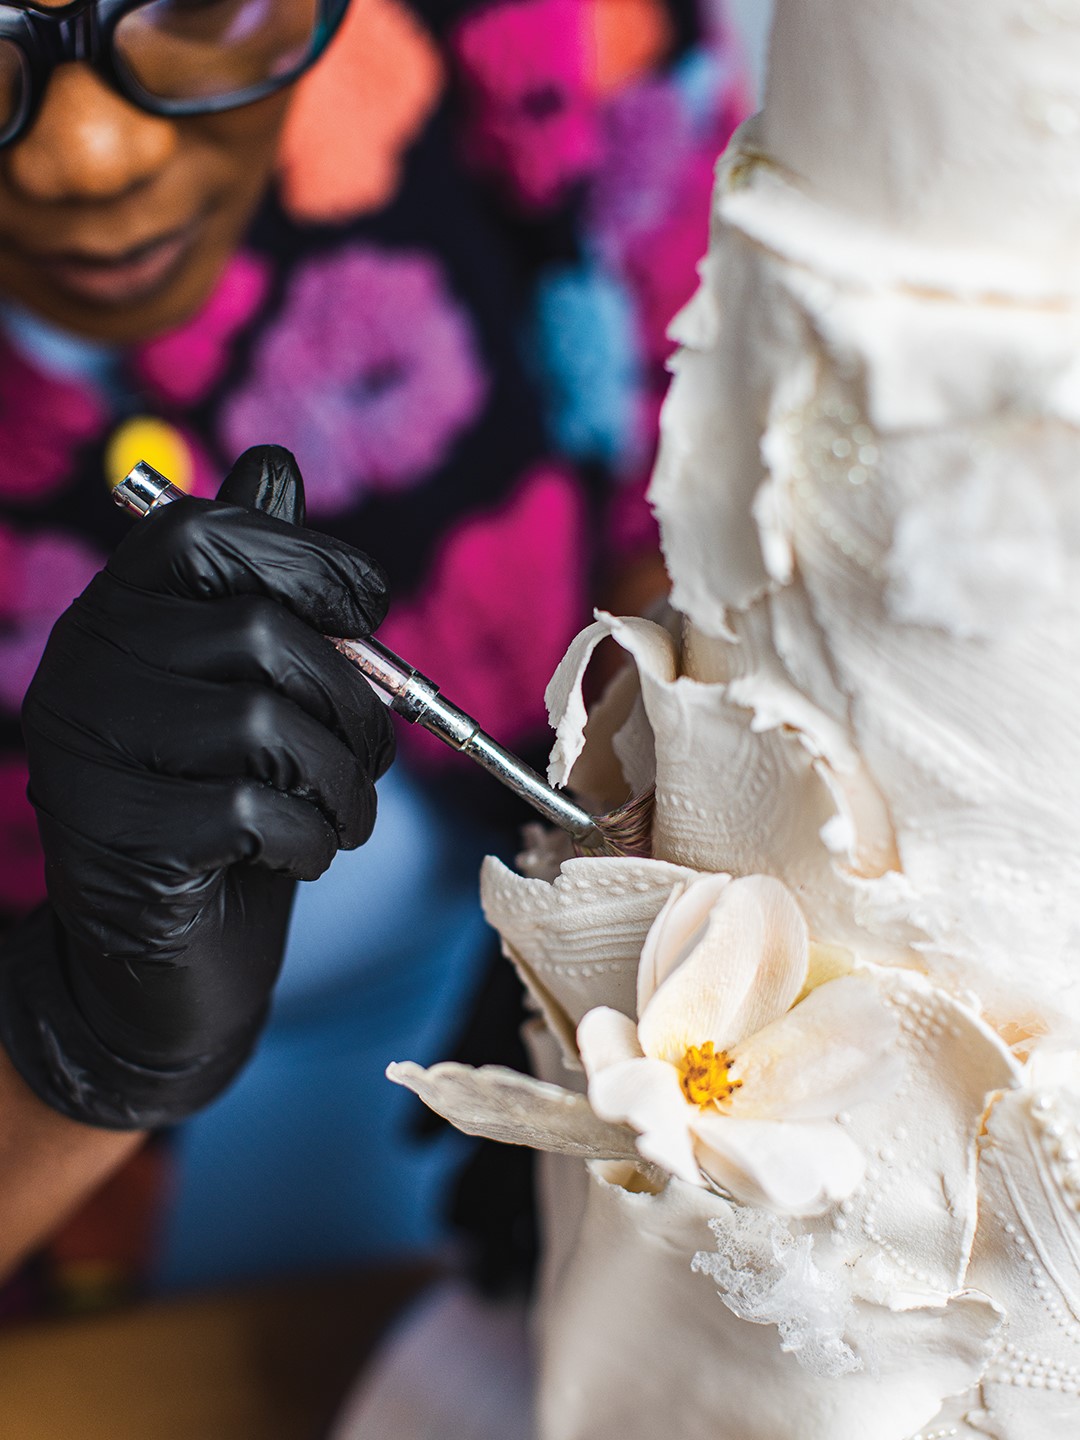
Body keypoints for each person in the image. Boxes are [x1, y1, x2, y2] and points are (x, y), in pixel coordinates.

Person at [0, 0, 751, 1313]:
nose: (91, 156)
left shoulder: (569, 44)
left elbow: (714, 509)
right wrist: (78, 1050)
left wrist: (624, 900)